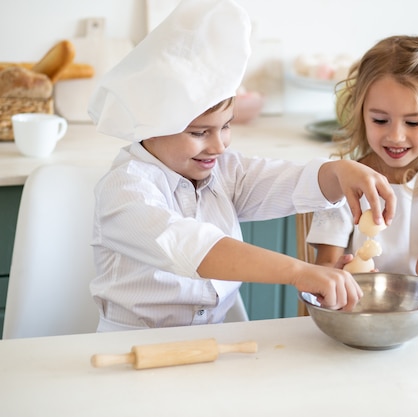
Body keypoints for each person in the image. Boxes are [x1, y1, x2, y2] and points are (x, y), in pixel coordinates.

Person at [87, 0, 396, 332]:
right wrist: (299, 272)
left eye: (226, 126)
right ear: (151, 125)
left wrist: (340, 172)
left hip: (210, 344)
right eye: (199, 132)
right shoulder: (125, 190)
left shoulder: (224, 172)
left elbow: (289, 181)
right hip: (133, 346)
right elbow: (195, 248)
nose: (219, 145)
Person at [306, 35, 418, 304]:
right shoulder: (344, 180)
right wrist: (337, 274)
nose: (396, 136)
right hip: (360, 309)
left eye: (412, 123)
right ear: (360, 113)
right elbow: (326, 263)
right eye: (380, 120)